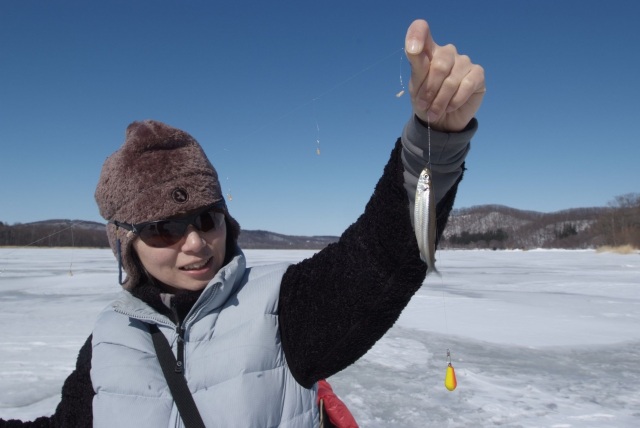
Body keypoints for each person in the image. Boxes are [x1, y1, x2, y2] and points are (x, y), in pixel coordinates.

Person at [0, 18, 485, 428]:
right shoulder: (107, 342)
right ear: (127, 244)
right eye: (164, 229)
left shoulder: (282, 309)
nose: (196, 244)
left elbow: (381, 256)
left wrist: (435, 141)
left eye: (207, 219)